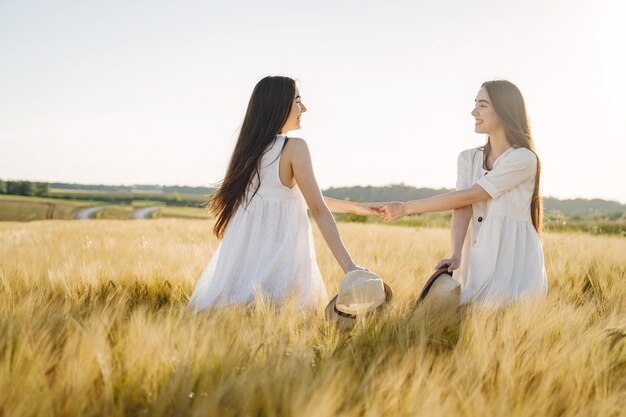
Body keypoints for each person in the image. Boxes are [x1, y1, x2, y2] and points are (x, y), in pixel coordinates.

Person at [189, 76, 375, 312]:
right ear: (278, 105)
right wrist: (350, 268)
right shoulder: (294, 148)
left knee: (235, 314)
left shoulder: (248, 152)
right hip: (280, 267)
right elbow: (317, 208)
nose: (304, 108)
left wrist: (358, 208)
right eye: (298, 100)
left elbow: (299, 198)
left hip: (244, 272)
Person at [371, 80, 547, 307]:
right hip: (475, 254)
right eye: (475, 104)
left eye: (482, 105)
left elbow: (470, 195)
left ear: (504, 111)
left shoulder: (523, 158)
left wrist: (406, 208)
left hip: (512, 256)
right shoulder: (467, 158)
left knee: (508, 313)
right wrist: (455, 254)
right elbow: (462, 208)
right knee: (472, 315)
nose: (474, 111)